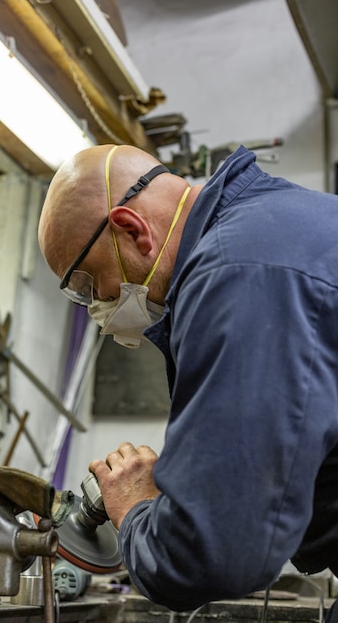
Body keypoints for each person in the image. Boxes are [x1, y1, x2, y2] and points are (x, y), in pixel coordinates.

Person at [38, 143, 338, 614]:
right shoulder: (272, 226)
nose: (97, 311)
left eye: (87, 287)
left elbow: (209, 553)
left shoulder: (236, 272)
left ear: (133, 229)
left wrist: (136, 509)